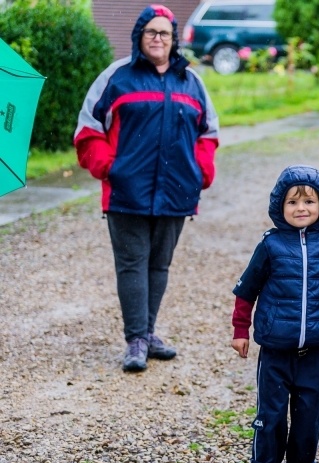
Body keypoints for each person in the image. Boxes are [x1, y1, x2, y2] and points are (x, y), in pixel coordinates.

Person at [74, 4, 219, 372]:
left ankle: (149, 333)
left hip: (176, 190)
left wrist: (201, 171)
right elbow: (88, 129)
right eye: (151, 32)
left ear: (174, 39)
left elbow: (209, 132)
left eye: (164, 33)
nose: (158, 38)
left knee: (159, 264)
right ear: (139, 36)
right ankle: (136, 339)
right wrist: (110, 168)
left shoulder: (191, 81)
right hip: (127, 191)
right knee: (132, 264)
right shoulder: (117, 77)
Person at [230, 165, 319, 463]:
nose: (301, 208)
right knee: (270, 414)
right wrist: (240, 330)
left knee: (307, 416)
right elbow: (246, 290)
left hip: (314, 351)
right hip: (275, 349)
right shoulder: (270, 245)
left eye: (309, 202)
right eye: (293, 202)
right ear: (279, 206)